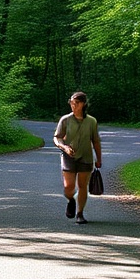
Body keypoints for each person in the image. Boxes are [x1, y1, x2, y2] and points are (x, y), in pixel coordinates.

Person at [53, 91, 102, 224]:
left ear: (83, 104)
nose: (73, 105)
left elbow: (96, 141)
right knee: (68, 187)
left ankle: (80, 214)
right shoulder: (65, 120)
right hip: (68, 157)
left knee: (82, 186)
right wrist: (65, 148)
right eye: (71, 102)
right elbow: (57, 138)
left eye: (76, 103)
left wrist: (99, 159)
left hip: (86, 157)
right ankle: (70, 200)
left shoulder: (91, 121)